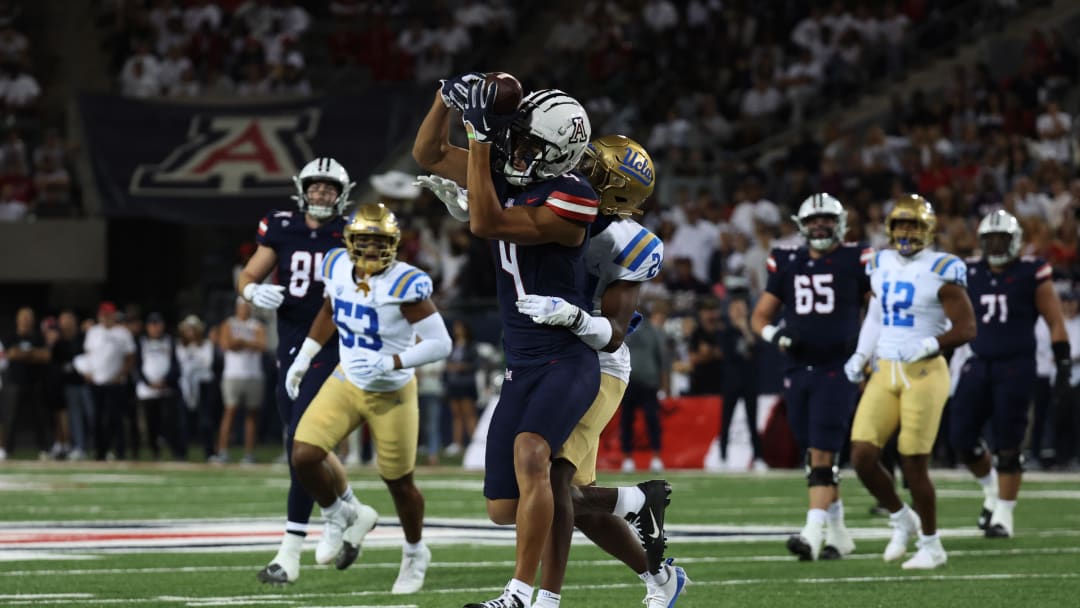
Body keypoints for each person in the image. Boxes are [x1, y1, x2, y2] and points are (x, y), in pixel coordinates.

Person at [420, 134, 685, 607]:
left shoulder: (625, 241)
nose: (580, 165)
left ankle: (542, 600)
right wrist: (477, 212)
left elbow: (616, 332)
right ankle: (649, 543)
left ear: (613, 189)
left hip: (596, 358)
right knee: (555, 501)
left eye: (594, 168)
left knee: (555, 480)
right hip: (543, 351)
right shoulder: (558, 199)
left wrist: (576, 317)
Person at [413, 75, 602, 608]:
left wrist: (478, 137)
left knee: (532, 453)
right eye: (513, 135)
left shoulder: (573, 197)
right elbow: (427, 152)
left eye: (528, 142)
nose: (515, 148)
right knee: (503, 507)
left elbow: (486, 221)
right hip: (522, 364)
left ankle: (522, 595)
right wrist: (446, 98)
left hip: (567, 356)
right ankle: (629, 502)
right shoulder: (509, 167)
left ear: (560, 153)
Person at [286, 202, 451, 594]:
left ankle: (415, 552)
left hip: (391, 391)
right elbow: (329, 309)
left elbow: (440, 342)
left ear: (393, 244)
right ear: (349, 242)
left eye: (380, 243)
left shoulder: (406, 284)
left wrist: (395, 360)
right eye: (364, 242)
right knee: (304, 455)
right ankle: (337, 514)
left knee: (399, 484)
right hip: (346, 379)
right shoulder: (337, 266)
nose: (372, 251)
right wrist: (305, 356)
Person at [843, 194, 976, 570]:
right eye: (901, 224)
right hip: (885, 368)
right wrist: (860, 354)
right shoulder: (880, 262)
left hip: (925, 372)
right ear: (890, 227)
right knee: (862, 456)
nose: (906, 232)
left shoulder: (942, 267)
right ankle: (902, 518)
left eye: (914, 225)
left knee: (913, 462)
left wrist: (928, 344)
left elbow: (967, 327)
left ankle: (932, 545)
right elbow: (875, 314)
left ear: (928, 230)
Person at [237, 157, 354, 584]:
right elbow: (250, 271)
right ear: (302, 189)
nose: (321, 194)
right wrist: (251, 289)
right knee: (306, 447)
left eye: (329, 188)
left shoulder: (351, 232)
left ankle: (290, 553)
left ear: (342, 194)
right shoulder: (281, 225)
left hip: (331, 343)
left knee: (299, 447)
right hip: (287, 344)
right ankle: (350, 510)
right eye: (315, 186)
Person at [750, 193, 869, 561]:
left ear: (840, 224)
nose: (821, 225)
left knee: (823, 452)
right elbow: (759, 318)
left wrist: (867, 353)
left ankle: (811, 534)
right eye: (814, 219)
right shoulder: (787, 260)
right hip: (798, 368)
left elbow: (878, 308)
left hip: (838, 366)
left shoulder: (857, 259)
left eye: (827, 219)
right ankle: (839, 534)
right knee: (814, 453)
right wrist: (777, 336)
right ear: (802, 225)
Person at [949, 210, 1069, 538]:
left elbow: (1054, 319)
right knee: (960, 436)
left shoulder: (1031, 271)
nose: (997, 246)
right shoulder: (969, 271)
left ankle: (1004, 513)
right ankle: (991, 490)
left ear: (1015, 241)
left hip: (1016, 365)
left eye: (1003, 239)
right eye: (992, 240)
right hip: (978, 361)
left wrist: (1063, 363)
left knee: (1008, 441)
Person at [213, 298, 267, 464]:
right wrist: (249, 343)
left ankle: (249, 453)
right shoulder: (228, 323)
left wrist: (241, 342)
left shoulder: (256, 325)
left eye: (247, 307)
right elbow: (226, 344)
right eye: (242, 306)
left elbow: (263, 346)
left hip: (253, 375)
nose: (245, 309)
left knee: (251, 414)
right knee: (230, 412)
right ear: (237, 308)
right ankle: (222, 451)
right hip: (233, 374)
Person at [83, 302, 136, 461]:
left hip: (116, 383)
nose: (105, 317)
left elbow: (130, 356)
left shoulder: (122, 333)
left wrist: (121, 374)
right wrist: (88, 372)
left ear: (113, 315)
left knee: (116, 419)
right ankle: (100, 452)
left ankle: (120, 451)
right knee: (97, 419)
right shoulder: (93, 332)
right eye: (103, 314)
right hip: (97, 382)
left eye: (108, 314)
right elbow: (88, 354)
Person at [443, 319, 481, 456]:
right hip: (454, 385)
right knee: (456, 415)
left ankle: (476, 443)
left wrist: (461, 366)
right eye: (455, 328)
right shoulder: (452, 345)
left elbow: (476, 365)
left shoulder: (471, 346)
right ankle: (457, 444)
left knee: (469, 415)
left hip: (466, 384)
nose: (456, 330)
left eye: (459, 327)